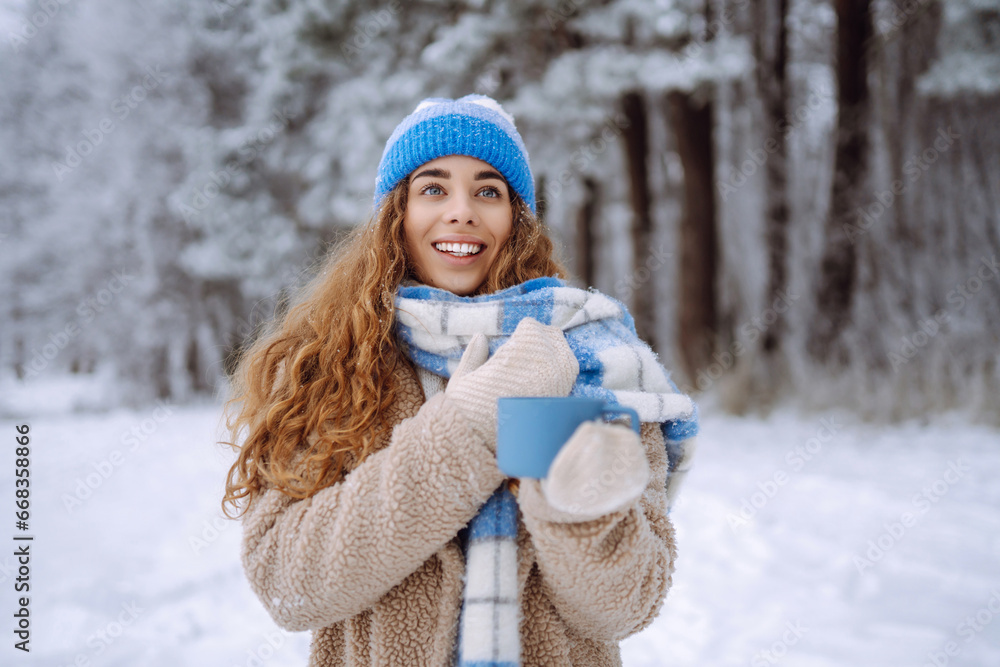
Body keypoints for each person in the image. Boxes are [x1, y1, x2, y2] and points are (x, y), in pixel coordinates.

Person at [223, 94, 698, 666]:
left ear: (517, 219)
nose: (461, 211)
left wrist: (575, 492)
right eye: (433, 188)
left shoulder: (594, 357)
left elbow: (628, 606)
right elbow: (287, 583)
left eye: (488, 191)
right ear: (395, 214)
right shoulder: (324, 367)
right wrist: (465, 428)